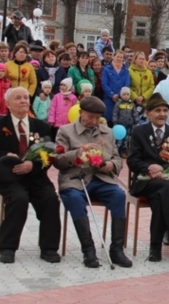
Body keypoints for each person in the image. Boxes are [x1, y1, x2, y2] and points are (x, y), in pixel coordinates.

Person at [0, 87, 61, 264]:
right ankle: (8, 248)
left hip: (36, 177)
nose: (24, 100)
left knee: (50, 199)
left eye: (25, 97)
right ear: (8, 104)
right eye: (18, 98)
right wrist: (4, 156)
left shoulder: (42, 126)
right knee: (19, 199)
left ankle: (49, 248)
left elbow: (50, 155)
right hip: (9, 178)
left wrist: (33, 165)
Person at [54, 96, 132, 268]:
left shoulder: (108, 132)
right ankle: (88, 250)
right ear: (80, 113)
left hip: (101, 179)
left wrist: (110, 165)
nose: (93, 121)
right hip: (75, 179)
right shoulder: (65, 131)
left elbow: (117, 159)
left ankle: (117, 249)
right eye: (90, 116)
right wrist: (78, 153)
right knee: (74, 198)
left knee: (119, 195)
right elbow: (58, 160)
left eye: (97, 118)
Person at [127, 93, 169, 261]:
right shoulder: (138, 132)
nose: (162, 114)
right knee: (163, 190)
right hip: (145, 181)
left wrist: (163, 169)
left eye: (165, 110)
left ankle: (155, 249)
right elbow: (132, 160)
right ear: (148, 113)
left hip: (168, 181)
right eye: (157, 110)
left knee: (161, 195)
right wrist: (149, 167)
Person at [102, 49, 131, 123]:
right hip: (109, 98)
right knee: (108, 119)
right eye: (118, 57)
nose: (119, 59)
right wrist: (112, 95)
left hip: (121, 98)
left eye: (121, 57)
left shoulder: (126, 70)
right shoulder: (106, 69)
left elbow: (126, 84)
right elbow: (104, 84)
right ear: (113, 57)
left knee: (119, 119)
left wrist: (119, 94)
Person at [113, 87, 138, 156]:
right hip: (120, 125)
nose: (126, 96)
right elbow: (115, 113)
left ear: (130, 95)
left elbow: (135, 113)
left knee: (126, 139)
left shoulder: (132, 104)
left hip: (128, 125)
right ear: (121, 95)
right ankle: (116, 152)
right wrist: (115, 122)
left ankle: (123, 151)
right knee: (119, 140)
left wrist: (136, 121)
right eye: (124, 94)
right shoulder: (118, 104)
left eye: (127, 94)